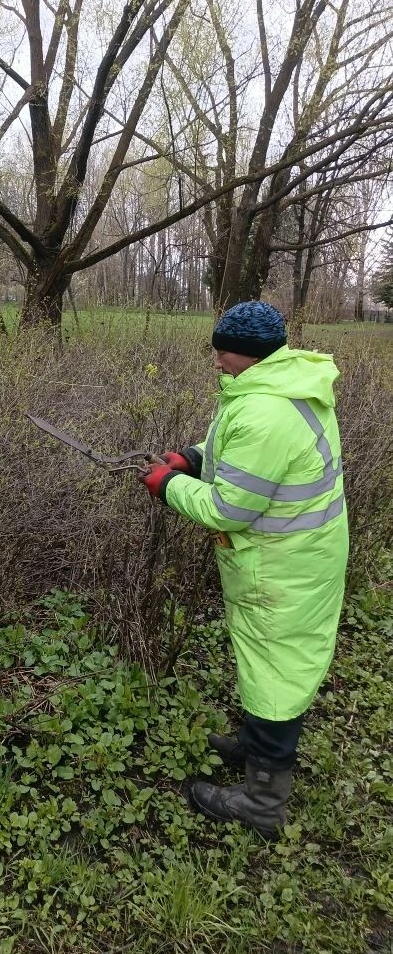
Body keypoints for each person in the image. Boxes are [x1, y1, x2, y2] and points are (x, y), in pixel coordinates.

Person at [139, 301, 349, 839]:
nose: (216, 362)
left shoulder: (265, 412)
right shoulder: (280, 385)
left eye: (223, 353)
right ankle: (257, 749)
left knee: (276, 675)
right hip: (301, 557)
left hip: (282, 570)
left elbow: (227, 509)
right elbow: (239, 448)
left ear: (251, 355)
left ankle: (262, 804)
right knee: (272, 663)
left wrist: (168, 485)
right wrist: (193, 457)